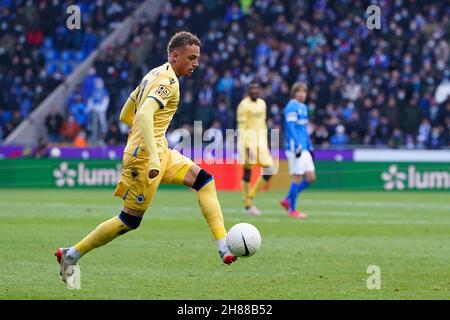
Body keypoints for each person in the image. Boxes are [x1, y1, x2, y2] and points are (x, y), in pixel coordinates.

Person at [55, 32, 237, 288]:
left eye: (198, 58)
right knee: (129, 220)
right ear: (175, 56)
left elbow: (125, 114)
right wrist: (149, 154)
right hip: (145, 158)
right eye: (191, 58)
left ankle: (223, 246)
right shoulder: (168, 82)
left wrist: (149, 140)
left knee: (205, 181)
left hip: (158, 150)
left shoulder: (153, 73)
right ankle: (71, 254)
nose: (196, 63)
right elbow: (143, 114)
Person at [236, 80, 274, 215]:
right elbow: (242, 127)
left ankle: (250, 196)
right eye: (251, 89)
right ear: (248, 91)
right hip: (248, 143)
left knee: (270, 170)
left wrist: (266, 141)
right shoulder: (243, 106)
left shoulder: (262, 104)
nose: (254, 91)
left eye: (256, 88)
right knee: (248, 173)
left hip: (261, 142)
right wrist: (246, 146)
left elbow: (262, 124)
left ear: (259, 90)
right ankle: (248, 206)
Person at [280, 82, 316, 219]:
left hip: (305, 147)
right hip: (296, 147)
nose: (302, 94)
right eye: (299, 91)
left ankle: (287, 199)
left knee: (311, 177)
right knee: (297, 176)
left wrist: (309, 145)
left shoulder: (304, 108)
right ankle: (292, 210)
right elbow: (291, 128)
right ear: (294, 93)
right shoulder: (292, 106)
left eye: (304, 91)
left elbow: (304, 130)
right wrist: (297, 145)